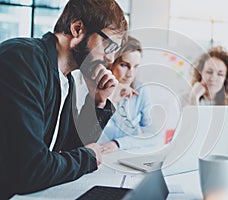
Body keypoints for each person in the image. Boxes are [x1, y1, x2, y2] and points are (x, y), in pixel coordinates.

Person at [0, 0, 128, 198]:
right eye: (109, 46)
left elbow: (70, 149)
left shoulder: (66, 79)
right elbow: (30, 170)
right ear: (77, 29)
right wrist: (88, 158)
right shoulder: (23, 60)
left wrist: (98, 101)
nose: (111, 60)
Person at [95, 36, 156, 153]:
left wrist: (118, 144)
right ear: (110, 63)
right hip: (98, 156)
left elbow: (153, 135)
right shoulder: (93, 91)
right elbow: (87, 137)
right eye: (124, 65)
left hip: (124, 153)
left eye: (135, 67)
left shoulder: (141, 90)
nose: (130, 74)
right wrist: (111, 99)